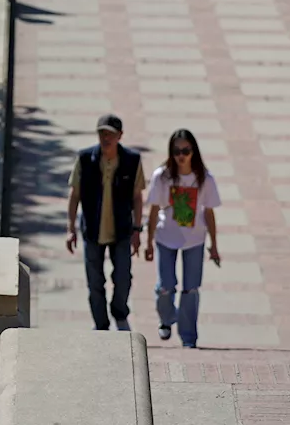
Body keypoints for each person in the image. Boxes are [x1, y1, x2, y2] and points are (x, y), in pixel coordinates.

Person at [66, 114, 146, 331]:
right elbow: (75, 195)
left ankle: (119, 312)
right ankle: (101, 324)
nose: (106, 138)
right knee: (94, 282)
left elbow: (138, 197)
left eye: (110, 134)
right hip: (92, 230)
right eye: (102, 133)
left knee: (123, 278)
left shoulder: (132, 161)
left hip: (121, 230)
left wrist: (138, 229)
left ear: (120, 136)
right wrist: (70, 228)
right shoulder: (85, 159)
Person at [144, 129, 221, 349]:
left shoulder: (204, 178)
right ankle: (167, 319)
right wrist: (148, 242)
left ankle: (189, 337)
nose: (181, 155)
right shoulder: (162, 176)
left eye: (186, 150)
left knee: (191, 289)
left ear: (193, 151)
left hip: (194, 240)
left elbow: (209, 212)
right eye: (177, 151)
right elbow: (153, 209)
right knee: (165, 287)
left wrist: (214, 245)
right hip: (165, 238)